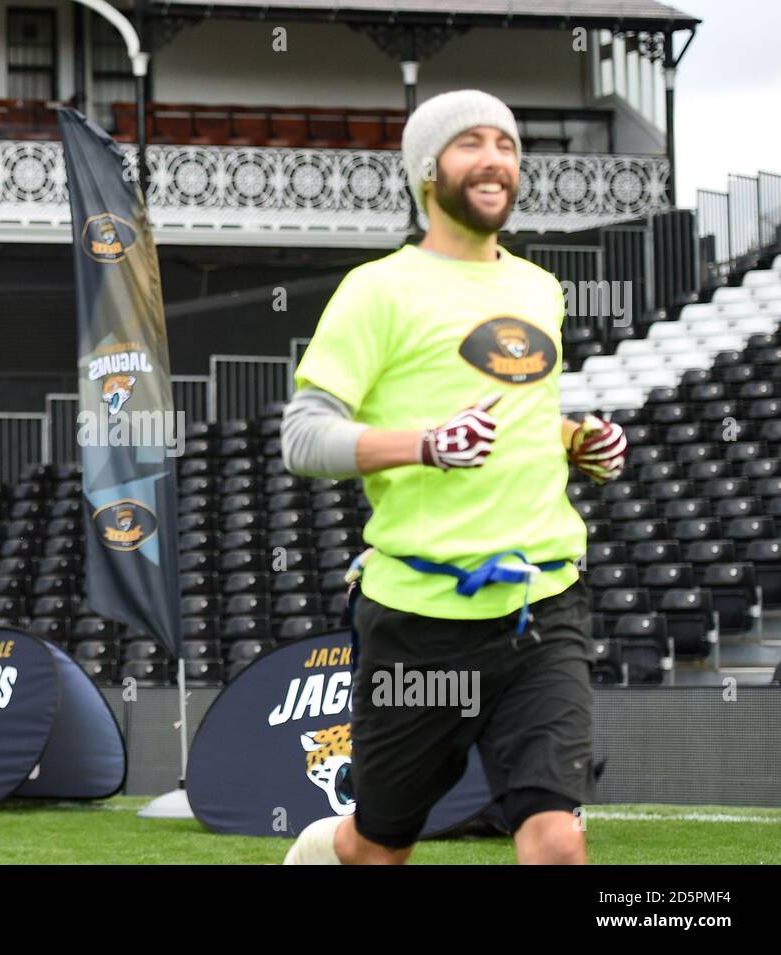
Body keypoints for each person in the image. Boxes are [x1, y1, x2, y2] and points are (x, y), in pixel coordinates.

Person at [280, 90, 626, 866]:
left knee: (558, 841)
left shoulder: (541, 288)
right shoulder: (377, 289)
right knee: (379, 846)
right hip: (419, 623)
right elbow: (302, 437)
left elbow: (529, 417)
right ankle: (321, 848)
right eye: (471, 143)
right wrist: (425, 444)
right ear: (427, 170)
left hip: (541, 606)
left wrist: (579, 443)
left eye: (506, 143)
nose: (495, 158)